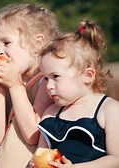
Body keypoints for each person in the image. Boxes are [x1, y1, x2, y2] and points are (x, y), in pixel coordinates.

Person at [0, 3, 59, 167]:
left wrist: (15, 86)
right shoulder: (14, 86)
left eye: (7, 43)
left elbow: (32, 134)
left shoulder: (45, 83)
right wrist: (0, 92)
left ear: (38, 43)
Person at [33, 20, 119, 167]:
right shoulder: (51, 114)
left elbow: (116, 159)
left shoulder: (109, 110)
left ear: (88, 75)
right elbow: (41, 154)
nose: (49, 86)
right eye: (46, 78)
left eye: (56, 77)